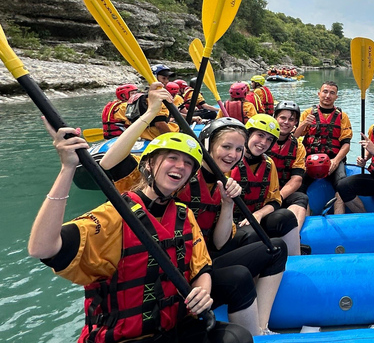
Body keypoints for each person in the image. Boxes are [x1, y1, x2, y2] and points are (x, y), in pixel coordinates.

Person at [29, 104, 253, 341]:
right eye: (172, 158)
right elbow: (42, 248)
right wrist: (67, 169)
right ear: (147, 164)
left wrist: (203, 291)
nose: (180, 166)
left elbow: (202, 268)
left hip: (173, 326)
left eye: (188, 164)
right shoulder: (115, 215)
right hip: (124, 336)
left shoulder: (183, 214)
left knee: (236, 336)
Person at [99, 87, 286, 336]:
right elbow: (108, 164)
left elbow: (220, 243)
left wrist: (228, 203)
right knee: (239, 275)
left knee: (274, 248)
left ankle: (261, 326)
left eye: (238, 150)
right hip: (168, 264)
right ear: (207, 145)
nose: (233, 155)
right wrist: (150, 113)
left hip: (202, 261)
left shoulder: (225, 181)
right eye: (226, 147)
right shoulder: (177, 175)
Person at [232, 114, 301, 256]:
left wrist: (258, 214)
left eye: (269, 139)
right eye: (260, 135)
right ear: (248, 134)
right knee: (252, 234)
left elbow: (275, 200)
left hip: (255, 217)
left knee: (286, 216)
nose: (263, 142)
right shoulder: (230, 160)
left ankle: (295, 262)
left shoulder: (269, 164)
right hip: (231, 223)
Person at [294, 81, 353, 214]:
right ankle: (305, 217)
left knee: (342, 185)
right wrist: (303, 124)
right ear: (319, 94)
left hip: (333, 159)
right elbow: (294, 138)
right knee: (298, 184)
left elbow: (346, 144)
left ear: (336, 97)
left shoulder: (343, 116)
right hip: (310, 159)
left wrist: (336, 161)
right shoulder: (308, 113)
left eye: (332, 93)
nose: (328, 95)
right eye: (325, 92)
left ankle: (339, 218)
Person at [267, 101, 310, 236]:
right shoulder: (263, 140)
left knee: (301, 198)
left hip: (281, 192)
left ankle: (293, 237)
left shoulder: (298, 146)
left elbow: (296, 179)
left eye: (291, 119)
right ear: (275, 119)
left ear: (296, 123)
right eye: (283, 118)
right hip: (261, 191)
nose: (286, 122)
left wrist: (277, 198)